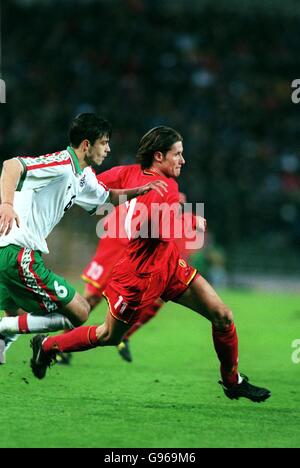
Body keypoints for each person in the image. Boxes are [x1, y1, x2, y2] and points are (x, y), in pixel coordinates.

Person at [30, 126, 271, 403]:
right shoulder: (162, 187)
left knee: (222, 315)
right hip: (138, 276)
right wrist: (188, 221)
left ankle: (232, 382)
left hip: (168, 266)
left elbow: (90, 182)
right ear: (159, 156)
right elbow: (144, 226)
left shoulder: (132, 173)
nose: (183, 160)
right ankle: (48, 345)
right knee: (107, 334)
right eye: (177, 154)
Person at [0, 113, 167, 364]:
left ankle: (3, 340)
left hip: (10, 253)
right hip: (18, 253)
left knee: (17, 311)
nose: (108, 149)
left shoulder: (84, 175)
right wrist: (6, 204)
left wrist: (139, 191)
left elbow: (107, 197)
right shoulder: (61, 164)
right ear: (87, 144)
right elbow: (11, 165)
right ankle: (5, 330)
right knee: (79, 312)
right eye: (104, 142)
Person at [81, 188, 205, 363]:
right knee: (92, 298)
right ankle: (58, 344)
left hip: (141, 249)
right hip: (118, 241)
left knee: (159, 298)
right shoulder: (143, 178)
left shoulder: (165, 181)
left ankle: (123, 336)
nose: (180, 160)